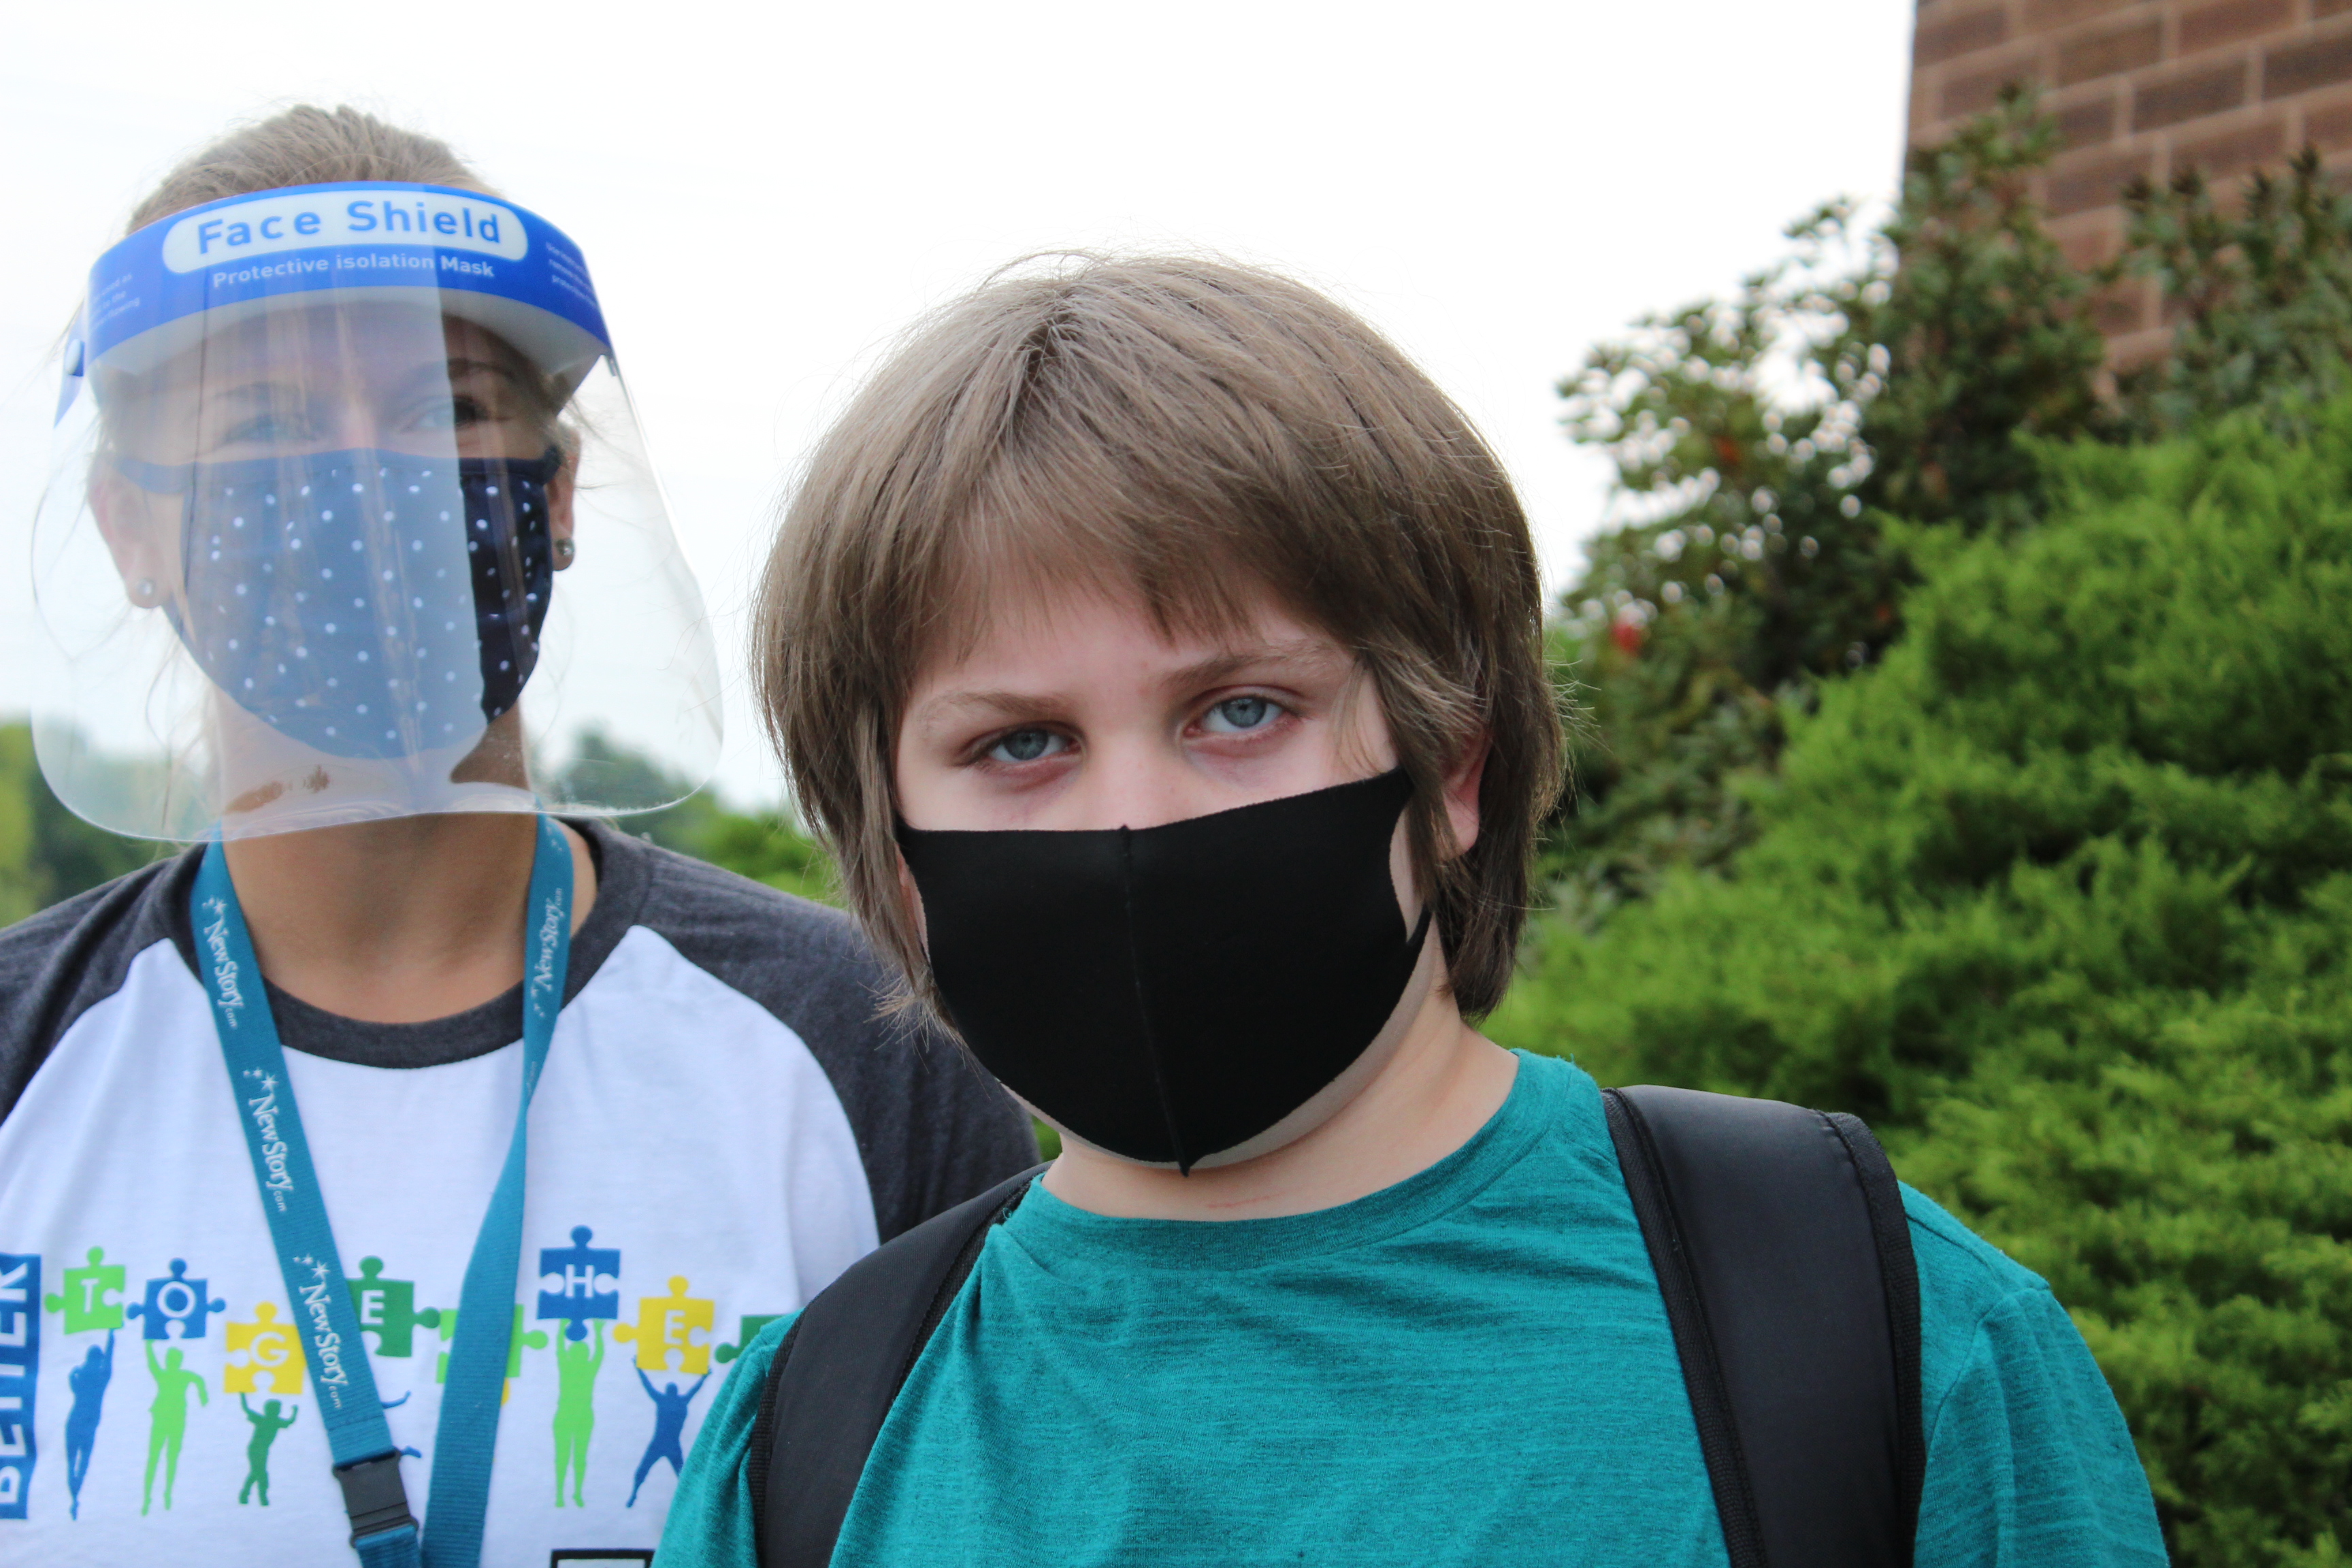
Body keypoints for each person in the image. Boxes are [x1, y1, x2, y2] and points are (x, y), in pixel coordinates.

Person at [658, 255, 2170, 1565]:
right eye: (1020, 744)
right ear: (898, 852)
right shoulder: (810, 1443)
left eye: (1240, 710)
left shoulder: (1882, 1343)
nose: (1135, 821)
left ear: (1453, 763)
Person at [0, 106, 1034, 1563]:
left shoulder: (864, 1050)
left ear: (552, 499)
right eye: (267, 427)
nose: (368, 487)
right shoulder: (24, 1058)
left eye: (447, 411)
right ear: (127, 527)